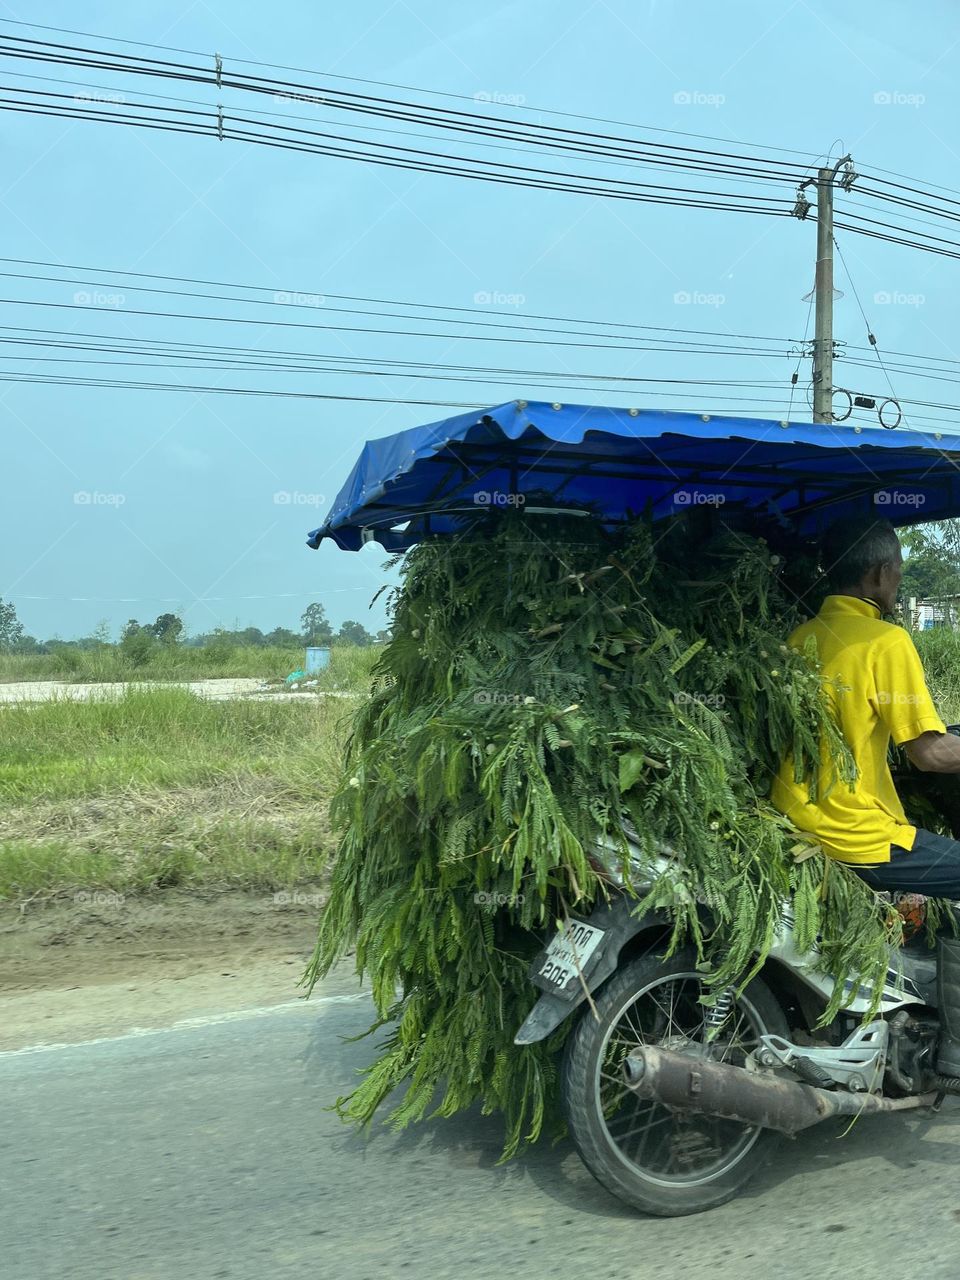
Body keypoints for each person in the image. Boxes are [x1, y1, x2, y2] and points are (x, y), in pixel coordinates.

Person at [770, 514, 960, 1076]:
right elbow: (928, 754)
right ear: (880, 575)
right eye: (898, 575)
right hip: (853, 830)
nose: (897, 585)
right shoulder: (886, 640)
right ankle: (956, 1048)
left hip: (794, 818)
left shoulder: (801, 636)